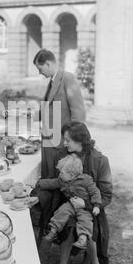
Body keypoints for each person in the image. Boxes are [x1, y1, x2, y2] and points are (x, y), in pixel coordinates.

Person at [37, 121, 113, 264]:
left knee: (84, 224)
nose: (64, 143)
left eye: (67, 140)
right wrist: (37, 195)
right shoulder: (63, 156)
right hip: (66, 203)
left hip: (91, 207)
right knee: (69, 224)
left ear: (80, 141)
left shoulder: (100, 161)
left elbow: (106, 195)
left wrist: (85, 204)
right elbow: (56, 182)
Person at [33, 49, 86, 179]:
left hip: (61, 145)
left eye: (40, 69)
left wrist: (74, 146)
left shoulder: (68, 79)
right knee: (47, 183)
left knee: (60, 185)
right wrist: (21, 116)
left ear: (48, 64)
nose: (39, 73)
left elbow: (78, 114)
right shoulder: (51, 82)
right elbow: (45, 112)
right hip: (48, 145)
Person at [39, 153, 101, 250]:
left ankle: (83, 239)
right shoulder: (62, 181)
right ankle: (52, 232)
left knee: (85, 220)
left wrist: (96, 205)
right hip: (71, 204)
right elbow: (51, 183)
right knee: (61, 211)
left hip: (84, 207)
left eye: (61, 173)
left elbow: (95, 192)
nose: (59, 174)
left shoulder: (86, 180)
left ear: (71, 175)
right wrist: (39, 183)